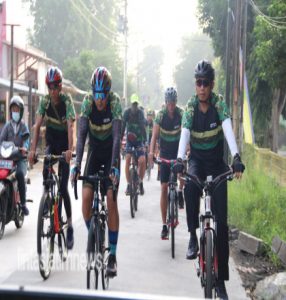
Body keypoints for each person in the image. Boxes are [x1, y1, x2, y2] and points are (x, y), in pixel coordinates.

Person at [175, 60, 245, 299]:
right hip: (196, 162)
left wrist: (236, 157)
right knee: (190, 190)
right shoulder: (191, 107)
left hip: (216, 165)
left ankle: (222, 282)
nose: (202, 87)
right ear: (195, 85)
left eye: (206, 83)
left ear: (212, 84)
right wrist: (178, 160)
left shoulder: (219, 104)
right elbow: (184, 135)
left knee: (222, 225)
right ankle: (194, 236)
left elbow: (228, 131)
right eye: (198, 83)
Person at [71, 66, 122, 277]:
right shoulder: (87, 103)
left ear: (108, 92)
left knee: (111, 200)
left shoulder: (115, 103)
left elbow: (118, 139)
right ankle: (93, 234)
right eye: (96, 94)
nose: (99, 99)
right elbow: (81, 138)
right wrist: (76, 164)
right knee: (85, 198)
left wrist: (115, 168)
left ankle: (112, 256)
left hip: (110, 152)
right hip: (93, 152)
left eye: (103, 94)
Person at [28, 66, 75, 250]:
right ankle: (47, 199)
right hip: (51, 143)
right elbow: (37, 125)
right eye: (50, 87)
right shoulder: (45, 101)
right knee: (47, 175)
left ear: (61, 86)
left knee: (63, 188)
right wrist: (32, 151)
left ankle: (70, 225)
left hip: (64, 146)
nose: (53, 91)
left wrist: (70, 150)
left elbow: (71, 127)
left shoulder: (67, 101)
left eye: (56, 87)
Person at [148, 87, 184, 240]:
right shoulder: (160, 116)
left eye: (173, 102)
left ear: (176, 102)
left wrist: (187, 150)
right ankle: (164, 225)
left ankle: (180, 193)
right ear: (165, 102)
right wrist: (151, 153)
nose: (171, 105)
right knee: (164, 188)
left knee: (182, 175)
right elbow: (154, 136)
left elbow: (186, 132)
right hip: (164, 154)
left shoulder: (181, 114)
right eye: (169, 102)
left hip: (177, 153)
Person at [0, 96, 30, 215]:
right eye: (13, 110)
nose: (15, 112)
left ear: (21, 111)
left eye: (17, 110)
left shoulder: (23, 126)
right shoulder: (7, 126)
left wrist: (24, 148)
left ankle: (23, 204)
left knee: (19, 174)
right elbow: (1, 139)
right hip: (6, 159)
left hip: (19, 160)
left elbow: (26, 140)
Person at [122, 93, 146, 195]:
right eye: (133, 104)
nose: (135, 106)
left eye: (136, 104)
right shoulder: (126, 113)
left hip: (139, 141)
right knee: (127, 159)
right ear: (131, 104)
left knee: (142, 161)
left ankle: (140, 182)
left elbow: (143, 128)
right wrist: (119, 140)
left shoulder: (141, 113)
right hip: (129, 141)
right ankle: (128, 184)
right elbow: (122, 126)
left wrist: (145, 143)